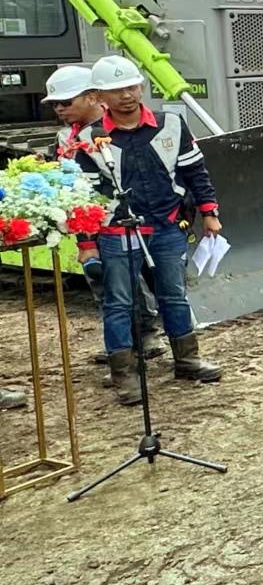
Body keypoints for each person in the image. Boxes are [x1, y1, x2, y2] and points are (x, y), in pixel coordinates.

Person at [74, 55, 223, 404]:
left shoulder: (171, 124)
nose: (126, 95)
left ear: (141, 86)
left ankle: (187, 359)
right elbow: (83, 198)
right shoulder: (89, 138)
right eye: (116, 90)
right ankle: (124, 375)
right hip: (117, 233)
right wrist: (86, 242)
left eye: (131, 86)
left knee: (174, 294)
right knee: (119, 303)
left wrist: (209, 212)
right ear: (99, 97)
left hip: (167, 226)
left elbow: (195, 172)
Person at [45, 63, 165, 364]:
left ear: (91, 97)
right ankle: (121, 344)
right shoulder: (66, 136)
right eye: (55, 104)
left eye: (65, 102)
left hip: (121, 221)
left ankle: (145, 336)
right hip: (87, 223)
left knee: (130, 283)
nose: (59, 109)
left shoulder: (112, 132)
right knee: (102, 283)